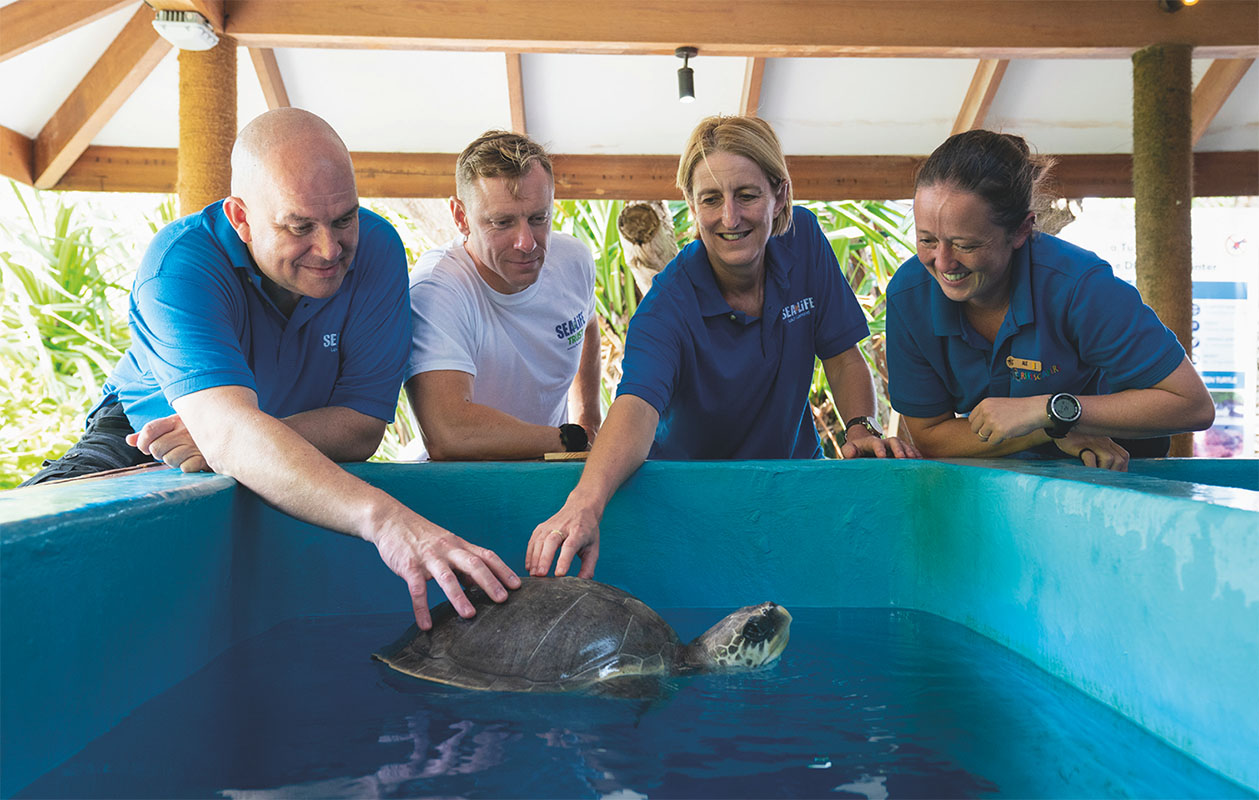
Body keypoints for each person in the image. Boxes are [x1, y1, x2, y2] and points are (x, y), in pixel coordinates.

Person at [20, 108, 519, 628]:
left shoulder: (376, 249)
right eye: (299, 227)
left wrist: (238, 436)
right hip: (147, 434)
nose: (330, 250)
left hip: (260, 439)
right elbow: (234, 437)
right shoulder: (180, 264)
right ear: (240, 218)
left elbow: (361, 428)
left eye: (344, 218)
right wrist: (387, 520)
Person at [525, 115, 919, 579]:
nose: (730, 218)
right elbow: (635, 406)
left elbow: (842, 355)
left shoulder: (805, 240)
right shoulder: (666, 307)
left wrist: (858, 427)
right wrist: (585, 504)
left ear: (780, 195)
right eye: (711, 199)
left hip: (793, 483)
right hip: (689, 501)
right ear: (691, 206)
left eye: (747, 195)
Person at [884, 129, 1215, 471]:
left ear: (1022, 231)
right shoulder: (909, 296)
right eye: (927, 240)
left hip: (1112, 455)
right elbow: (930, 435)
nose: (942, 263)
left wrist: (1052, 409)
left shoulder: (1080, 286)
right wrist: (1047, 427)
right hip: (1010, 461)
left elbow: (1194, 405)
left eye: (966, 245)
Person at [405, 131, 601, 460]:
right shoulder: (437, 289)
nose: (527, 242)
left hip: (551, 466)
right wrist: (568, 441)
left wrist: (589, 420)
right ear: (460, 217)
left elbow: (587, 327)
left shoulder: (573, 259)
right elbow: (450, 433)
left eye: (539, 219)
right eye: (502, 222)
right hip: (461, 482)